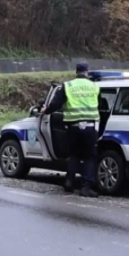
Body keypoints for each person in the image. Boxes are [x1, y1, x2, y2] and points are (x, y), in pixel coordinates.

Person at [41, 62, 100, 198]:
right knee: (89, 157)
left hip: (72, 127)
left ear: (76, 72)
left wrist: (46, 110)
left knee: (73, 155)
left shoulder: (68, 86)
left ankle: (69, 182)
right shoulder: (94, 86)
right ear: (87, 71)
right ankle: (85, 187)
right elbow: (101, 105)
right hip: (90, 127)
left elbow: (55, 104)